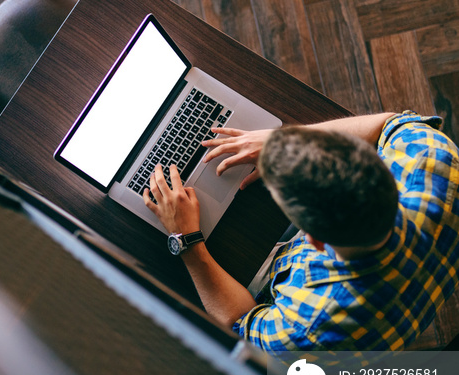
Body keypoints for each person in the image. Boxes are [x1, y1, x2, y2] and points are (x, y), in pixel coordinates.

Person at [143, 111, 459, 352]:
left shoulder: (311, 326)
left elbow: (239, 326)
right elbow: (390, 123)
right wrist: (286, 143)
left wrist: (186, 241)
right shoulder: (434, 157)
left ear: (313, 239)